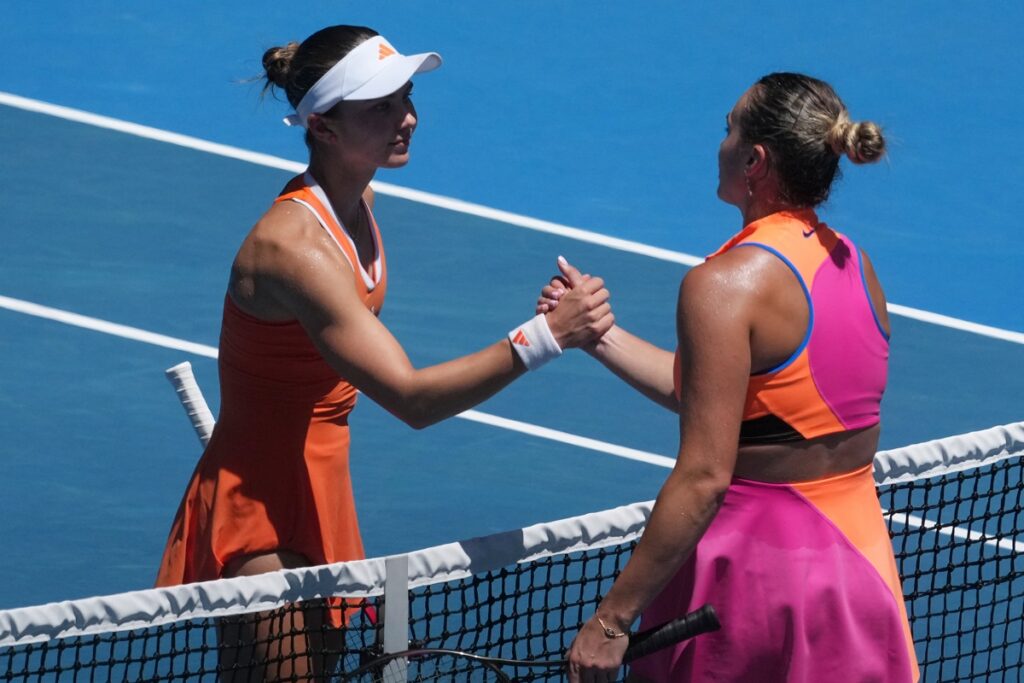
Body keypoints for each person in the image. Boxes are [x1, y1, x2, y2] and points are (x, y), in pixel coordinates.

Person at [154, 24, 613, 681]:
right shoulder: (295, 249)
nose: (409, 118)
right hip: (258, 506)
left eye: (406, 97)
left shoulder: (357, 196)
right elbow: (412, 397)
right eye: (381, 107)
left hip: (322, 484)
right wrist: (544, 338)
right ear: (323, 127)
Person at [542, 73, 919, 682]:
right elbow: (744, 408)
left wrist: (612, 621)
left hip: (751, 582)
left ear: (755, 159)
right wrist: (597, 336)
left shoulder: (721, 286)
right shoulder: (855, 264)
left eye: (728, 129)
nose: (719, 143)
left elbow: (705, 476)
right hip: (858, 575)